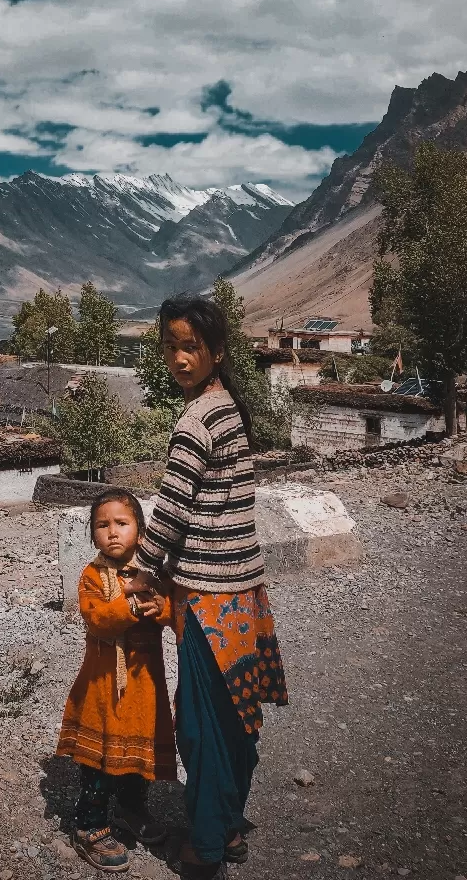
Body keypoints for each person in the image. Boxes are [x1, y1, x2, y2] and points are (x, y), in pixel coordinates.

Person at [134, 294, 288, 880]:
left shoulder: (196, 420)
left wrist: (142, 570)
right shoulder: (228, 410)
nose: (178, 358)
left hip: (209, 595)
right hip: (245, 590)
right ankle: (225, 822)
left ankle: (203, 847)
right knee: (235, 713)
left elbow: (171, 511)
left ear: (216, 352)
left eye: (190, 347)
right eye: (170, 347)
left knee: (200, 720)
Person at [56, 488, 176, 873]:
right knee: (101, 761)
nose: (112, 532)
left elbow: (173, 608)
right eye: (102, 525)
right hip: (104, 687)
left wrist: (161, 607)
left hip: (143, 688)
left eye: (121, 524)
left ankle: (131, 809)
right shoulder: (92, 576)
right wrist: (126, 599)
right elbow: (97, 619)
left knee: (139, 755)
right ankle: (89, 825)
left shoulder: (153, 575)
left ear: (140, 533)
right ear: (92, 535)